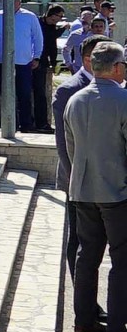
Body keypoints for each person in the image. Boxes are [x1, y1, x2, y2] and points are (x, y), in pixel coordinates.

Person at [63, 40, 127, 332]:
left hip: (82, 190)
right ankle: (116, 329)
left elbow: (71, 148)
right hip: (117, 192)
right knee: (121, 260)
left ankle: (84, 321)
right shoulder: (123, 100)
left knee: (86, 256)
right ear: (116, 67)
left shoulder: (75, 100)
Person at [55, 34, 108, 267]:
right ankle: (82, 298)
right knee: (79, 240)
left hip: (106, 181)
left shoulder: (114, 87)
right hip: (79, 182)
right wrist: (76, 181)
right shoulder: (69, 91)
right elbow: (63, 143)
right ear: (88, 60)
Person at [0, 0, 42, 133]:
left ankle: (26, 125)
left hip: (23, 62)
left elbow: (37, 37)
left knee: (24, 94)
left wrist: (37, 56)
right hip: (2, 62)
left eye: (13, 2)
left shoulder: (29, 17)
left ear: (19, 3)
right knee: (6, 95)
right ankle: (9, 124)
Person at [35, 5, 65, 131]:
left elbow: (52, 46)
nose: (60, 19)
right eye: (60, 16)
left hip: (42, 63)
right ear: (53, 15)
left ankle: (42, 123)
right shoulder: (38, 22)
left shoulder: (52, 26)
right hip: (32, 60)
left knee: (41, 94)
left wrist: (54, 63)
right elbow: (48, 36)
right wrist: (62, 30)